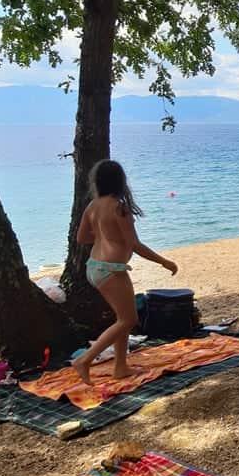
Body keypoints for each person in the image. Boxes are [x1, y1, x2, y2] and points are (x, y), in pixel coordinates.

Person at [72, 160, 178, 385]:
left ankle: (120, 367)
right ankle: (84, 360)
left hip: (94, 266)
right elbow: (135, 245)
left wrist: (104, 237)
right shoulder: (120, 208)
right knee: (129, 319)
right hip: (111, 269)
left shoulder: (92, 205)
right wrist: (164, 262)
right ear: (120, 182)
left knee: (122, 319)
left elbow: (82, 238)